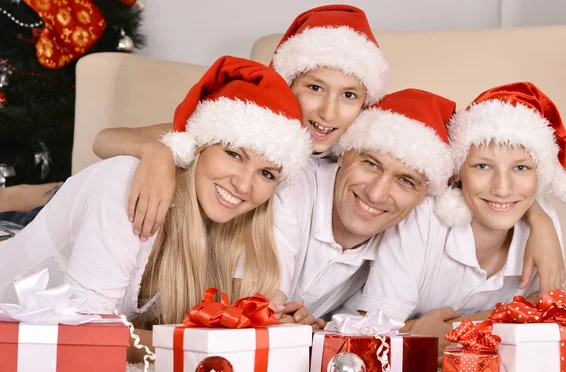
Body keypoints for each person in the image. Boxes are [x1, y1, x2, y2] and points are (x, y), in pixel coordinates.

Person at [0, 56, 312, 359]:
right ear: (197, 147)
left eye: (267, 173)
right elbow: (87, 331)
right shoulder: (125, 182)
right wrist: (204, 344)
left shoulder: (231, 225)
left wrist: (273, 331)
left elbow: (225, 324)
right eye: (234, 154)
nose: (244, 186)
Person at [91, 4, 389, 243]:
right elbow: (102, 140)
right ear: (288, 84)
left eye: (349, 95)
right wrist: (157, 152)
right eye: (315, 88)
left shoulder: (352, 168)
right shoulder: (239, 129)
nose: (329, 112)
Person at [358, 82, 566, 353]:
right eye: (482, 166)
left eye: (521, 168)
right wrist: (513, 315)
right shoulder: (424, 218)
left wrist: (454, 328)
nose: (502, 188)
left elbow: (547, 316)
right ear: (458, 171)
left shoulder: (542, 225)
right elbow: (372, 337)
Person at [275, 89, 456, 320]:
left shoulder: (406, 236)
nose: (376, 194)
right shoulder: (292, 184)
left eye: (405, 181)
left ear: (424, 197)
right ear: (342, 153)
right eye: (371, 164)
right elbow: (263, 302)